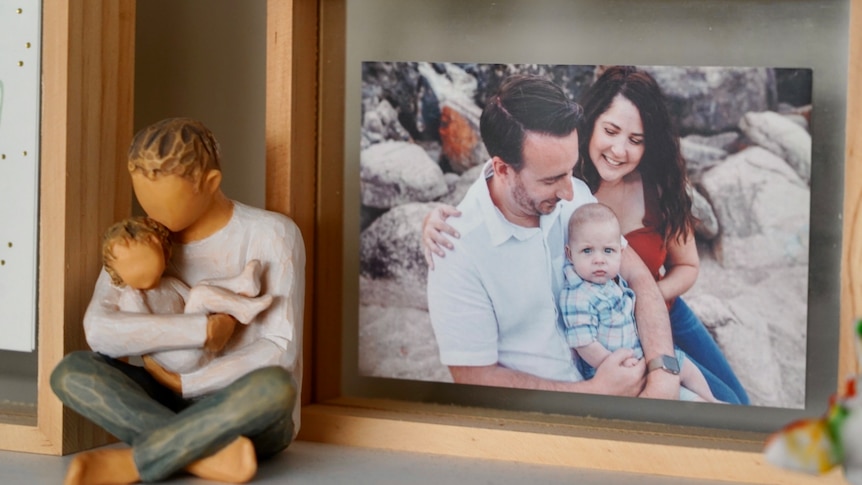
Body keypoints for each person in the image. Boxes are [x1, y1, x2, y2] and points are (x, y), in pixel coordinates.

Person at [425, 66, 748, 404]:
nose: (569, 192)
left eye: (570, 171)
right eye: (552, 180)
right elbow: (472, 377)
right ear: (503, 169)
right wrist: (593, 391)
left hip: (638, 344)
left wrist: (663, 374)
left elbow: (641, 277)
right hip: (568, 399)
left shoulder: (576, 190)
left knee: (732, 408)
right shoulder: (456, 249)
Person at [50, 118, 306, 484]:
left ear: (210, 183)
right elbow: (100, 331)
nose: (151, 216)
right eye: (144, 198)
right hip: (162, 400)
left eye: (164, 203)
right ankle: (202, 453)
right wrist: (199, 330)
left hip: (238, 408)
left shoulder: (272, 234)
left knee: (274, 388)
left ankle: (138, 462)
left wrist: (188, 384)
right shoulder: (139, 241)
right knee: (73, 372)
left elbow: (280, 350)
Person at [560, 202, 719, 403]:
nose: (598, 260)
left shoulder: (613, 282)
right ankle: (700, 402)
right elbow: (583, 342)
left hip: (639, 352)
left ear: (620, 252)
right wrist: (614, 366)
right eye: (587, 251)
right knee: (686, 399)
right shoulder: (577, 295)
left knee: (683, 364)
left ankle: (712, 400)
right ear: (569, 254)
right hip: (613, 368)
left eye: (608, 251)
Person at [101, 216, 273, 374]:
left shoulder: (168, 283)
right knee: (199, 293)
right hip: (180, 356)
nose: (140, 270)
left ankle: (241, 284)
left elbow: (197, 298)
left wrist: (215, 314)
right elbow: (144, 332)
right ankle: (243, 309)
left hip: (200, 344)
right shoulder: (133, 297)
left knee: (200, 288)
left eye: (144, 259)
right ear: (116, 273)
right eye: (131, 265)